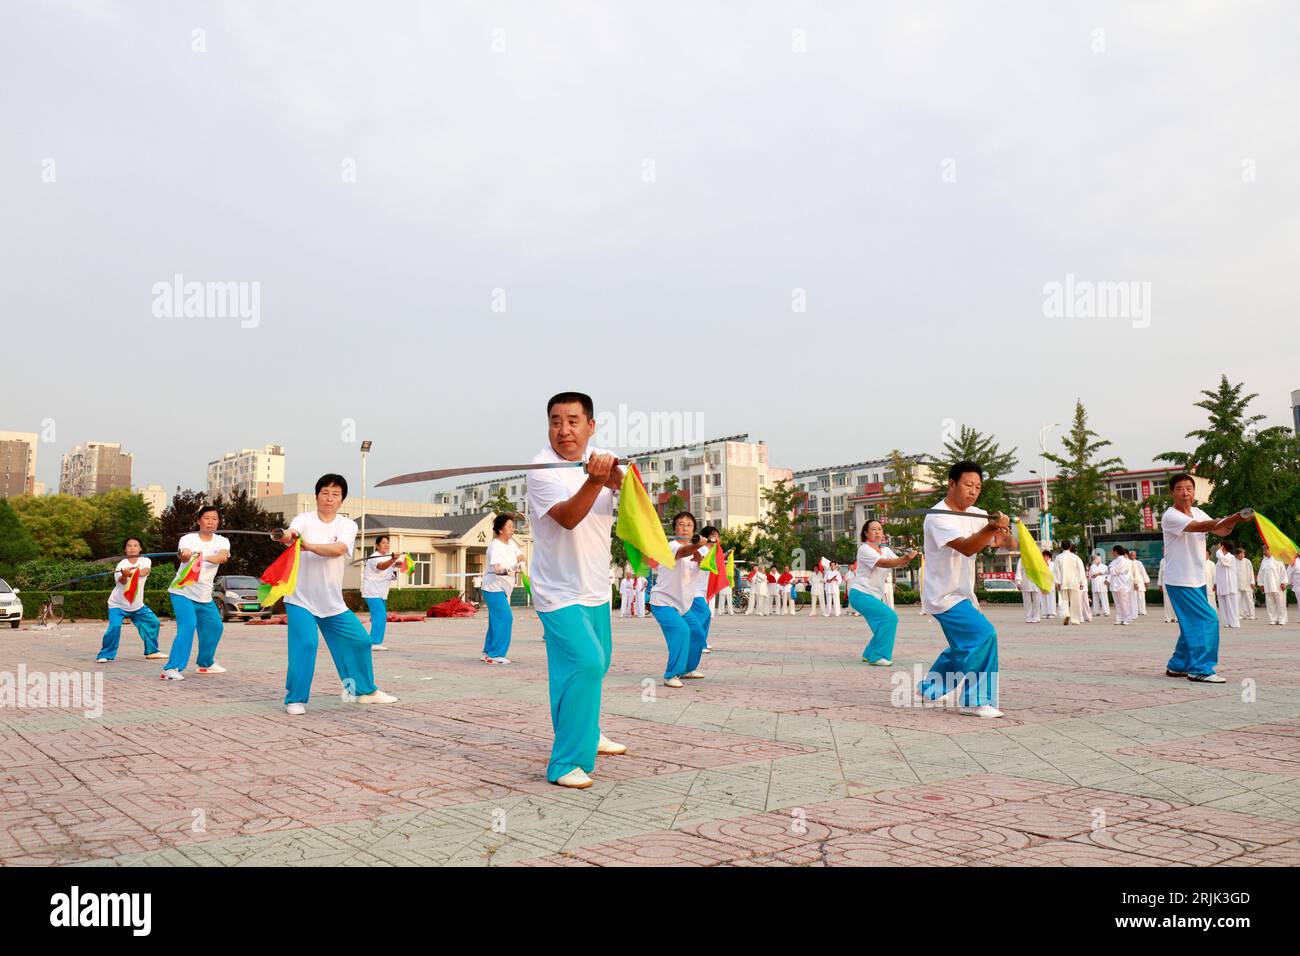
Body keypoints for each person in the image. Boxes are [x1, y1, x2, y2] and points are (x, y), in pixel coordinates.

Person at [525, 392, 628, 789]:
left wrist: (615, 476)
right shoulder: (540, 468)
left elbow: (629, 491)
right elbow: (568, 517)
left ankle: (588, 730)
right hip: (557, 590)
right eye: (555, 421)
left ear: (590, 425)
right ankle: (566, 761)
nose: (563, 430)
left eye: (572, 421)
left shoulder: (601, 457)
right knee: (584, 662)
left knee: (596, 666)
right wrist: (595, 480)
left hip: (596, 586)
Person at [281, 474, 397, 714]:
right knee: (306, 644)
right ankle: (295, 699)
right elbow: (293, 532)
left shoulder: (347, 525)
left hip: (332, 603)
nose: (329, 498)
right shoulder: (304, 519)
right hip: (299, 599)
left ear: (342, 500)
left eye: (335, 494)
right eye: (325, 493)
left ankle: (365, 692)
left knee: (361, 641)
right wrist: (289, 536)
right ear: (316, 496)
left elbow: (339, 549)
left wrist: (309, 546)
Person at [915, 461, 1012, 718]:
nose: (973, 491)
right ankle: (974, 700)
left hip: (963, 594)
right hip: (944, 595)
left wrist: (1004, 528)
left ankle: (929, 689)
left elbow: (1001, 543)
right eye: (968, 485)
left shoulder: (977, 514)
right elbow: (967, 547)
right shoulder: (938, 516)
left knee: (964, 645)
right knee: (984, 635)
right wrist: (991, 527)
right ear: (951, 484)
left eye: (978, 487)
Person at [1160, 473, 1248, 683]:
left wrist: (1233, 522)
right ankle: (1200, 669)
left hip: (1197, 579)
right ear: (1172, 492)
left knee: (1191, 623)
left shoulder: (1198, 511)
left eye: (1189, 488)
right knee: (1208, 619)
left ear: (1194, 491)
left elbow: (1222, 530)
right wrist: (1235, 516)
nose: (1185, 492)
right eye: (1180, 488)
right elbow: (1198, 527)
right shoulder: (1170, 515)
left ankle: (1177, 665)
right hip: (1180, 580)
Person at [160, 506, 231, 680]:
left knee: (215, 627)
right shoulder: (188, 539)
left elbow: (222, 557)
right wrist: (185, 554)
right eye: (207, 518)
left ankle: (205, 663)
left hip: (204, 596)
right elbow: (183, 557)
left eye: (214, 518)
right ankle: (172, 668)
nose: (211, 521)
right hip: (182, 592)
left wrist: (201, 557)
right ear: (199, 520)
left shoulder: (222, 541)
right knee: (188, 626)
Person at [648, 512, 708, 687]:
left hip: (683, 605)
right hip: (663, 602)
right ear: (674, 528)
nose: (685, 527)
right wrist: (696, 547)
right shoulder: (671, 546)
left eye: (689, 525)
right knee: (681, 631)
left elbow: (704, 566)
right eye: (681, 524)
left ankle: (688, 669)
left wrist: (700, 557)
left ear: (693, 530)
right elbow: (684, 551)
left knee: (698, 634)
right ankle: (671, 674)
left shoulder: (697, 551)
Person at [850, 519, 920, 665]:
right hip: (860, 593)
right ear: (865, 533)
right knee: (889, 618)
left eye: (880, 529)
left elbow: (899, 562)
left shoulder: (884, 549)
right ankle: (878, 656)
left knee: (882, 624)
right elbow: (884, 563)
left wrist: (909, 555)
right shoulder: (864, 549)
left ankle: (869, 653)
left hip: (873, 595)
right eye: (873, 529)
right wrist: (906, 557)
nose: (877, 532)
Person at [96, 537, 164, 663]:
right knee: (115, 626)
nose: (132, 548)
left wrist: (133, 573)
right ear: (125, 549)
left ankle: (152, 651)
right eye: (129, 546)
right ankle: (105, 654)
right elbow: (122, 582)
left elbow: (145, 571)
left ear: (140, 548)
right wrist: (124, 575)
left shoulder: (145, 560)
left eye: (135, 545)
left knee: (153, 623)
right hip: (118, 605)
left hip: (137, 606)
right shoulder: (121, 565)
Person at [482, 514, 524, 663]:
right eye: (509, 526)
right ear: (500, 529)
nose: (513, 529)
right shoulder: (495, 546)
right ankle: (496, 655)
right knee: (506, 618)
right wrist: (508, 571)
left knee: (495, 620)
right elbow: (497, 569)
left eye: (513, 526)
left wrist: (521, 565)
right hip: (493, 588)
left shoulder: (512, 544)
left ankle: (487, 652)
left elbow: (521, 557)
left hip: (503, 589)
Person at [361, 535, 403, 652]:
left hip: (381, 592)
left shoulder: (386, 557)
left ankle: (373, 641)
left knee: (379, 616)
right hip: (372, 592)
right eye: (383, 543)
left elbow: (389, 567)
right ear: (377, 545)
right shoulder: (374, 557)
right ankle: (375, 642)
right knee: (379, 616)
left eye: (388, 543)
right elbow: (381, 567)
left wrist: (397, 564)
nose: (386, 545)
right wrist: (392, 560)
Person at [690, 526, 721, 660]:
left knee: (704, 616)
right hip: (695, 589)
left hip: (703, 589)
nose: (718, 538)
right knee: (704, 614)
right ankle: (696, 644)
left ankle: (702, 642)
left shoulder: (712, 551)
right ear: (708, 536)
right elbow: (700, 562)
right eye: (715, 535)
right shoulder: (701, 549)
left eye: (718, 535)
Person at [1055, 541, 1087, 625]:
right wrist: (1081, 582)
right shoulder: (1076, 557)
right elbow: (1081, 571)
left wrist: (1057, 582)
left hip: (1063, 582)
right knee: (1075, 601)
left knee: (1063, 600)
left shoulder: (1058, 557)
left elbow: (1056, 571)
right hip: (1074, 581)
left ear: (1061, 547)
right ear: (1070, 547)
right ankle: (1075, 619)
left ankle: (1066, 614)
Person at [1258, 545, 1289, 625]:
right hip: (1267, 585)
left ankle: (1282, 619)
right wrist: (1261, 584)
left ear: (1270, 550)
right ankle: (1272, 619)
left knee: (1281, 603)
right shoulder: (1263, 561)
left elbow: (1283, 572)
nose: (1264, 552)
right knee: (1270, 603)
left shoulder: (1278, 559)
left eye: (1265, 550)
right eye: (1263, 550)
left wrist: (1284, 582)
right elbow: (1261, 573)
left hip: (1278, 585)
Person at [1213, 541, 1241, 629]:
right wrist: (1215, 583)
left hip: (1229, 585)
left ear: (1223, 547)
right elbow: (1217, 572)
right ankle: (1227, 622)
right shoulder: (1220, 558)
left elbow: (1224, 562)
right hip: (1221, 584)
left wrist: (1219, 551)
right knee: (1222, 604)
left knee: (1231, 604)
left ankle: (1234, 622)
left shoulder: (1230, 557)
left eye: (1220, 546)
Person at [1107, 545, 1134, 626]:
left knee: (1124, 602)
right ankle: (1119, 618)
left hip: (1122, 584)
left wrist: (1111, 569)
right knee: (1117, 603)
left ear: (1116, 551)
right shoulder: (1114, 561)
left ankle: (1127, 619)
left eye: (1112, 551)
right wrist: (1107, 570)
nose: (1112, 552)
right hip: (1114, 584)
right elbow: (1108, 570)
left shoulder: (1124, 561)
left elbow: (1116, 571)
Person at [1015, 551, 1042, 623]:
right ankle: (1028, 617)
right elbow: (1018, 571)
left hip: (1036, 583)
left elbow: (1041, 571)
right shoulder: (1022, 560)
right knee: (1027, 602)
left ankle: (1036, 617)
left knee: (1036, 601)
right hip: (1025, 583)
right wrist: (1018, 582)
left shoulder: (1037, 559)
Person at [1235, 548, 1256, 621]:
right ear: (1237, 555)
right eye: (1241, 553)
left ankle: (1251, 614)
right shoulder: (1234, 562)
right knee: (1238, 600)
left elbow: (1251, 572)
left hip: (1247, 583)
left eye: (1243, 553)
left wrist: (1252, 582)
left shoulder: (1247, 561)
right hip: (1237, 584)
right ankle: (1241, 615)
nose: (1242, 555)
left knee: (1249, 599)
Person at [1090, 553, 1110, 617]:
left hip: (1102, 584)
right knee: (1095, 599)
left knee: (1104, 598)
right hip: (1095, 584)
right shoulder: (1092, 566)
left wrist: (1098, 574)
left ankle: (1106, 612)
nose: (1095, 560)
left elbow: (1107, 574)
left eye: (1096, 559)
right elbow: (1091, 575)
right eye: (1094, 559)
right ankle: (1096, 612)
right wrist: (1094, 575)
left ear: (1099, 560)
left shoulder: (1104, 566)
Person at [1157, 557, 1176, 623]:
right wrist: (1160, 584)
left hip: (1174, 582)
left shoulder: (1175, 558)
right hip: (1165, 582)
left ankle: (1175, 617)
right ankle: (1168, 617)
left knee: (1175, 600)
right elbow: (1160, 572)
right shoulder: (1162, 560)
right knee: (1166, 600)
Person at [1040, 550, 1058, 619]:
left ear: (1049, 557)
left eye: (1046, 556)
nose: (1045, 557)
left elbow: (1055, 574)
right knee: (1043, 598)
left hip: (1050, 583)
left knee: (1051, 598)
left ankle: (1052, 613)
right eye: (1044, 556)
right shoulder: (1040, 564)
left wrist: (1056, 583)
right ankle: (1045, 612)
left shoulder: (1053, 564)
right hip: (1043, 583)